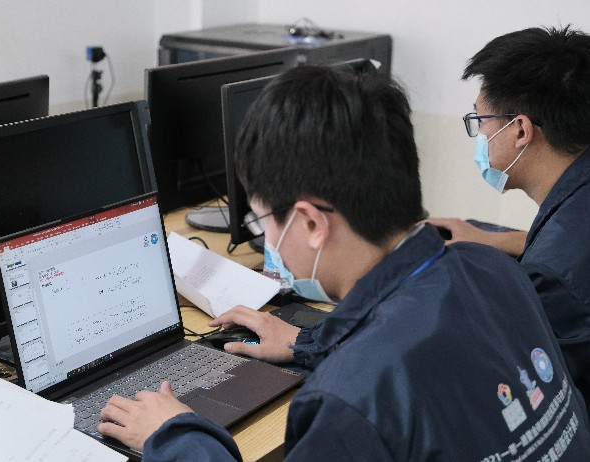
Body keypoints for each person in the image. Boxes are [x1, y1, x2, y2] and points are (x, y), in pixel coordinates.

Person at [97, 65, 590, 460]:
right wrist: (306, 343)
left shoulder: (345, 405)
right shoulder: (492, 269)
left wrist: (174, 434)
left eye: (264, 219)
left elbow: (381, 377)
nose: (268, 237)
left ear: (311, 223)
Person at [426, 26, 590, 407]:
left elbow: (491, 371)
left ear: (520, 130)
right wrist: (491, 240)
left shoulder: (552, 277)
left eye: (481, 121)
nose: (480, 136)